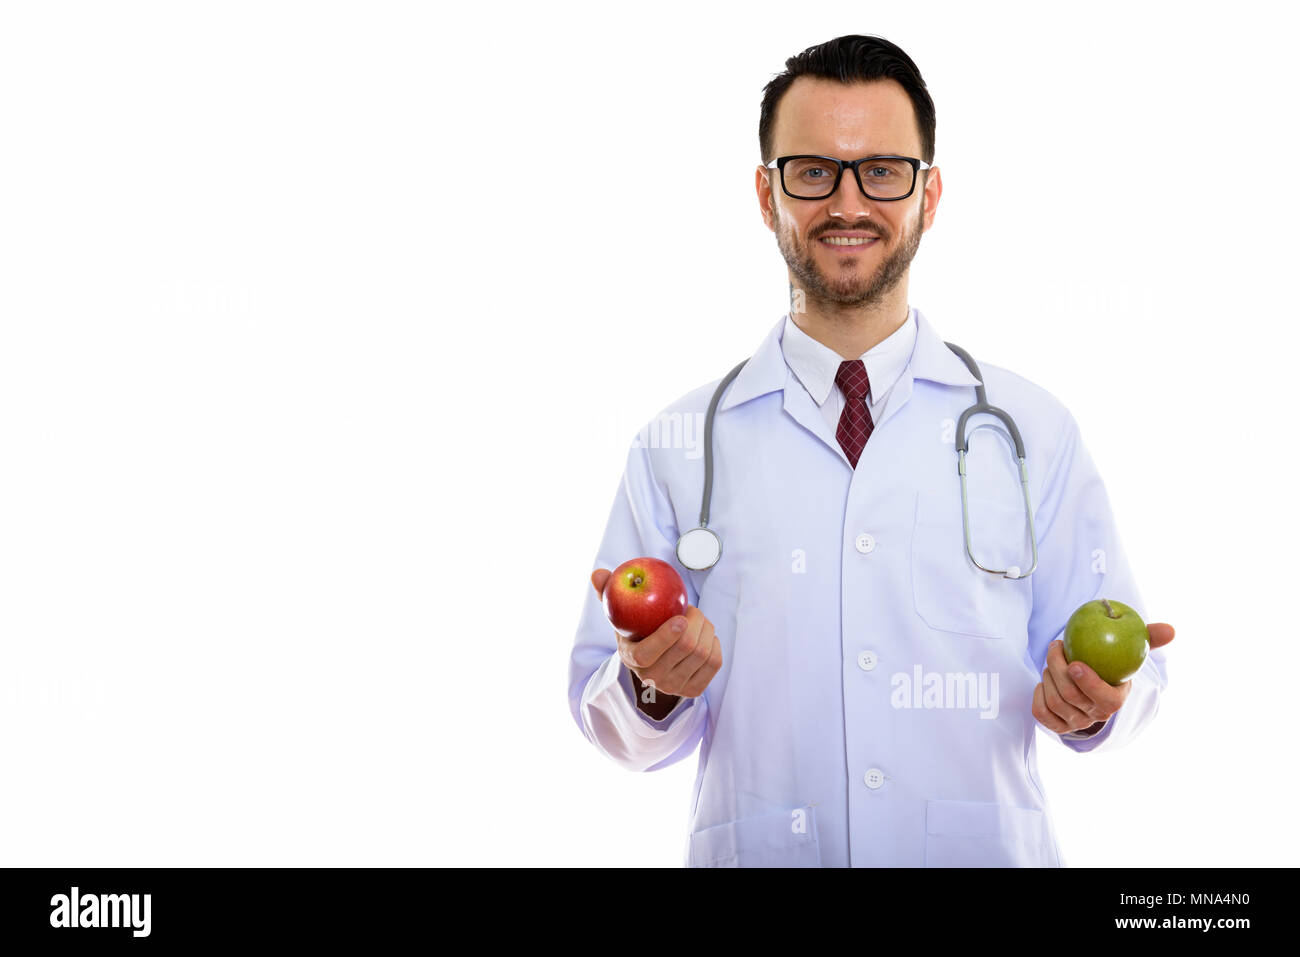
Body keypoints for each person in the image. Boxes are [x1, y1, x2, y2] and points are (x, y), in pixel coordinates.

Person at [565, 34, 1174, 867]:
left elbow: (1132, 679)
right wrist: (650, 684)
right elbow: (610, 722)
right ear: (765, 192)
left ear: (929, 195)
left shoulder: (1033, 430)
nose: (847, 203)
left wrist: (1099, 703)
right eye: (812, 171)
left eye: (882, 170)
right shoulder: (677, 446)